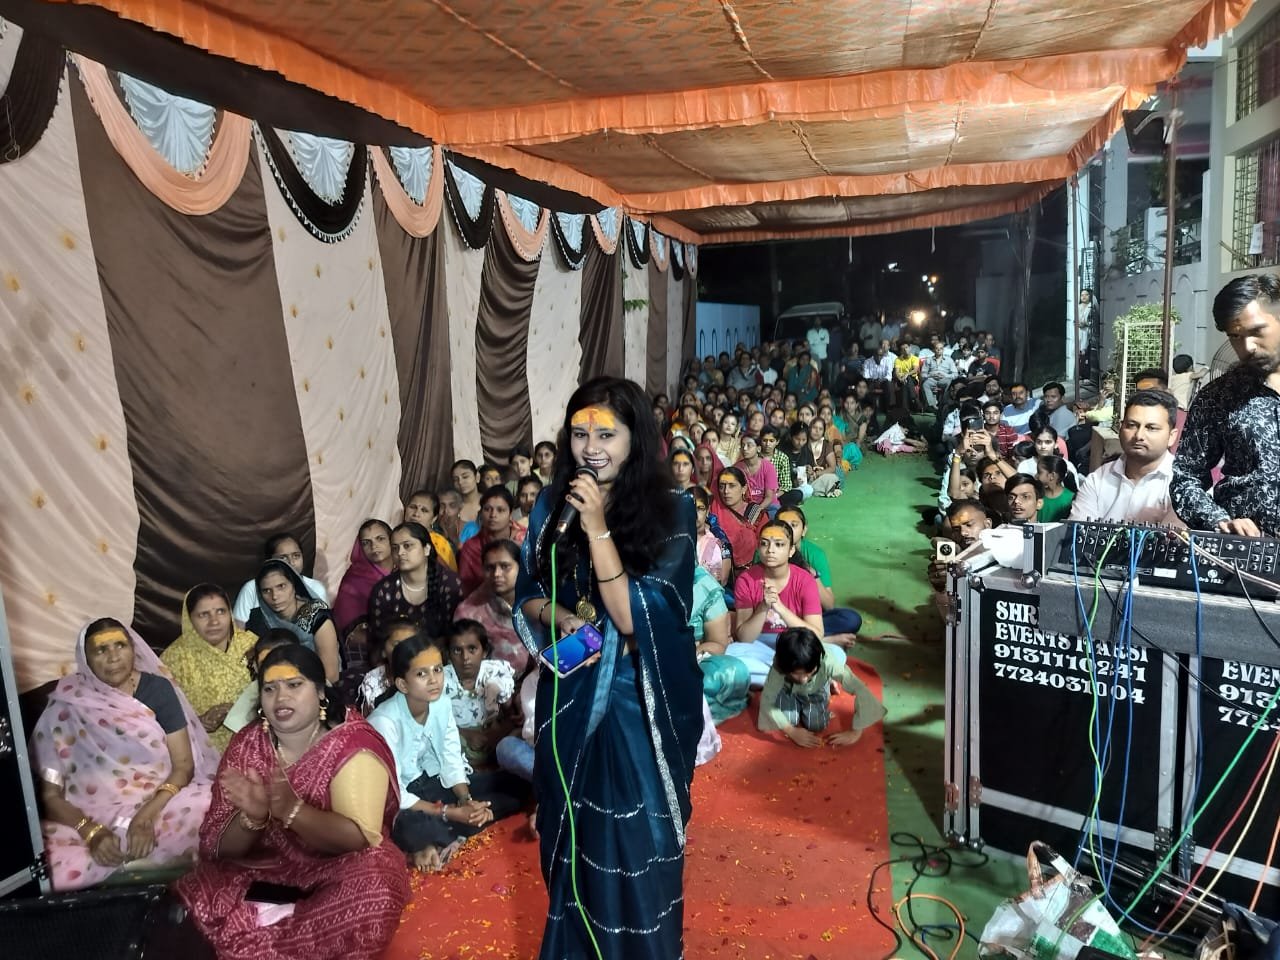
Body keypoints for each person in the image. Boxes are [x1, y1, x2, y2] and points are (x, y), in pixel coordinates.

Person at [514, 377, 701, 960]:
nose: (590, 447)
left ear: (635, 437)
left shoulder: (673, 510)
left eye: (606, 434)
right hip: (571, 693)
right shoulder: (553, 502)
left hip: (636, 703)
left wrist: (597, 525)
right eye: (578, 433)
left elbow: (631, 616)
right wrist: (562, 616)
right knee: (573, 839)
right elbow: (528, 595)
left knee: (637, 843)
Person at [177, 646, 409, 960]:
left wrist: (291, 811)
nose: (280, 697)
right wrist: (253, 820)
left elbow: (358, 838)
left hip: (336, 870)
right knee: (190, 894)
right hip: (263, 872)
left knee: (378, 880)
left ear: (321, 692)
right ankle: (272, 924)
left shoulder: (352, 744)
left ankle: (272, 937)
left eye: (294, 685)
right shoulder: (248, 744)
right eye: (269, 689)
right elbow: (218, 850)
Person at [32, 618, 215, 890]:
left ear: (133, 649)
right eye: (101, 650)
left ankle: (131, 866)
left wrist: (145, 816)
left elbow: (184, 765)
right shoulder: (67, 703)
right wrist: (91, 831)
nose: (114, 656)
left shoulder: (157, 689)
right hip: (90, 814)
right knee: (42, 861)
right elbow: (50, 795)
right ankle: (144, 865)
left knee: (211, 809)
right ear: (86, 659)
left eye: (120, 645)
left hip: (162, 802)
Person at [368, 634, 524, 874]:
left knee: (515, 786)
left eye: (438, 670)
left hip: (433, 784)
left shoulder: (440, 703)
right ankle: (446, 830)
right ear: (402, 684)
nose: (434, 681)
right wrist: (449, 811)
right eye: (422, 674)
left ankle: (463, 822)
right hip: (401, 800)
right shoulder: (384, 721)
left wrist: (466, 800)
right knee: (407, 826)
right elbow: (394, 793)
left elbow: (451, 753)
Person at [1172, 275, 1280, 537]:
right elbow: (1185, 479)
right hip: (1246, 557)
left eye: (1256, 331)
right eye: (1234, 336)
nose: (1247, 347)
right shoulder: (1218, 397)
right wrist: (1219, 520)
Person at [726, 520, 826, 687]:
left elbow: (816, 635)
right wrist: (763, 608)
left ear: (791, 550)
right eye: (764, 544)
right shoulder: (746, 580)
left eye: (779, 544)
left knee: (835, 654)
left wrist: (780, 608)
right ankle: (797, 678)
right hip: (761, 646)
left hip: (795, 645)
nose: (770, 550)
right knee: (731, 654)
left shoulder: (805, 580)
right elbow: (745, 639)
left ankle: (778, 678)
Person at [162, 584, 258, 753]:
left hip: (253, 748)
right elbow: (161, 712)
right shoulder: (174, 658)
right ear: (189, 619)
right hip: (199, 751)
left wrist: (243, 712)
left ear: (230, 613)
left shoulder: (253, 646)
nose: (214, 621)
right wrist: (197, 722)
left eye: (221, 611)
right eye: (203, 614)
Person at [758, 627, 885, 748]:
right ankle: (803, 695)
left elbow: (860, 688)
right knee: (788, 720)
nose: (803, 679)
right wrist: (791, 731)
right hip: (788, 690)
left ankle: (827, 681)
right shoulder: (780, 664)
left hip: (815, 690)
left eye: (809, 673)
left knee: (816, 725)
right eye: (796, 674)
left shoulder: (827, 661)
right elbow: (767, 700)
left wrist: (855, 732)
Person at [1071, 390, 1180, 524]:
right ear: (1120, 428)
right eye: (1132, 425)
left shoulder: (1185, 485)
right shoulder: (1097, 480)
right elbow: (1078, 536)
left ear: (1172, 437)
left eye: (1151, 428)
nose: (1139, 435)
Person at [775, 507, 862, 647]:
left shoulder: (815, 554)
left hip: (809, 617)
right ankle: (821, 640)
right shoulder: (767, 552)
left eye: (794, 525)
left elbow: (829, 605)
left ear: (804, 530)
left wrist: (812, 575)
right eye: (782, 525)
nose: (788, 530)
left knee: (850, 619)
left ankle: (800, 638)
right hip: (777, 618)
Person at [247, 559, 341, 685]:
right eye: (266, 591)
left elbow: (331, 675)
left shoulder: (317, 616)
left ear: (294, 585)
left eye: (281, 586)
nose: (275, 596)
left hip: (318, 686)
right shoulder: (258, 619)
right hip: (272, 686)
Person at [367, 521, 463, 643]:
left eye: (407, 546)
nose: (400, 553)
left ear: (426, 549)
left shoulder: (450, 584)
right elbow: (378, 639)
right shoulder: (384, 590)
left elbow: (459, 635)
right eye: (395, 548)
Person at [442, 619, 517, 768]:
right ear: (449, 654)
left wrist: (496, 735)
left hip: (492, 736)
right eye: (457, 650)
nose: (465, 658)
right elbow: (434, 723)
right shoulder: (442, 680)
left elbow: (513, 716)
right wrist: (466, 734)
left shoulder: (494, 673)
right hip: (458, 737)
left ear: (485, 652)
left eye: (472, 649)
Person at [455, 538, 531, 677]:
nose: (496, 574)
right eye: (490, 568)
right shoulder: (468, 613)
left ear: (521, 567)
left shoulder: (537, 605)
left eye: (505, 566)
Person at [331, 519, 394, 676]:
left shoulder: (403, 568)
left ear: (392, 540)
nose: (374, 546)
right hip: (364, 647)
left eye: (380, 539)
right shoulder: (355, 577)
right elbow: (350, 628)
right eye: (366, 542)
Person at [689, 564, 750, 724]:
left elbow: (717, 643)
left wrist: (688, 655)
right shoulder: (637, 578)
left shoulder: (702, 584)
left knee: (736, 671)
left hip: (692, 659)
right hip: (647, 661)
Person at [233, 533, 328, 624]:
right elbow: (239, 629)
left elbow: (325, 626)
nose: (291, 562)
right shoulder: (251, 588)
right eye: (283, 558)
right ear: (269, 560)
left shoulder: (316, 588)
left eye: (296, 556)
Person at [458, 486, 528, 596]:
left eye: (500, 510)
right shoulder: (471, 547)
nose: (493, 515)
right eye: (487, 509)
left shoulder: (526, 539)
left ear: (510, 514)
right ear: (480, 513)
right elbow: (468, 588)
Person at [712, 466, 769, 573]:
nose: (726, 491)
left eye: (732, 486)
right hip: (719, 571)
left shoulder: (755, 513)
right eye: (721, 486)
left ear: (744, 489)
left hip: (754, 571)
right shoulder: (712, 512)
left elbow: (765, 543)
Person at [403, 490, 459, 570]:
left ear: (434, 518)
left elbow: (446, 576)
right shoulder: (397, 535)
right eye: (413, 507)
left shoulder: (439, 544)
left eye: (424, 510)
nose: (416, 514)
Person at [1037, 455, 1076, 522]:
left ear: (1052, 476)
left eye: (1039, 472)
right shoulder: (1037, 494)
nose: (1036, 475)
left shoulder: (1071, 499)